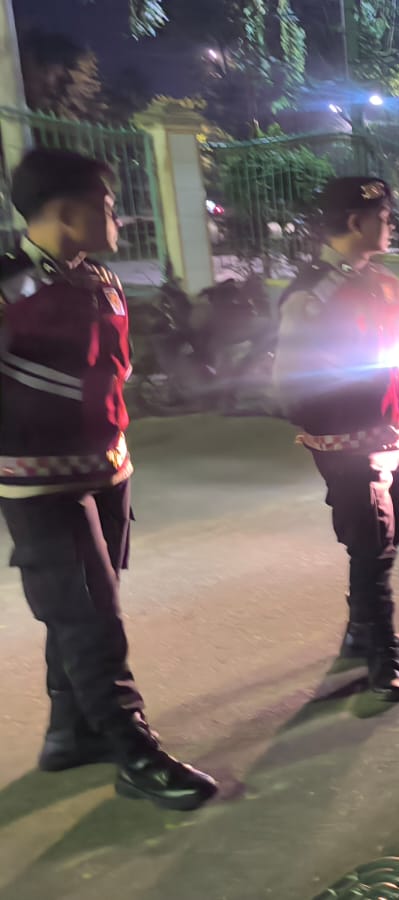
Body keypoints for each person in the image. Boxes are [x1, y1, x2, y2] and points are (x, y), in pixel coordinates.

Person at [0, 148, 217, 809]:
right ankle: (134, 754)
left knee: (84, 605)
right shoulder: (8, 286)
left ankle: (71, 733)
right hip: (38, 480)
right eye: (108, 206)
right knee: (90, 613)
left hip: (106, 467)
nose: (118, 218)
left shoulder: (99, 278)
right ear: (67, 212)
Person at [273, 177, 399, 702]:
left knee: (394, 533)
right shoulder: (312, 295)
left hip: (397, 428)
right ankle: (381, 659)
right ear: (356, 223)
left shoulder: (383, 282)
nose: (392, 224)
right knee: (372, 545)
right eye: (384, 217)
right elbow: (290, 382)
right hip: (349, 444)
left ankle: (362, 631)